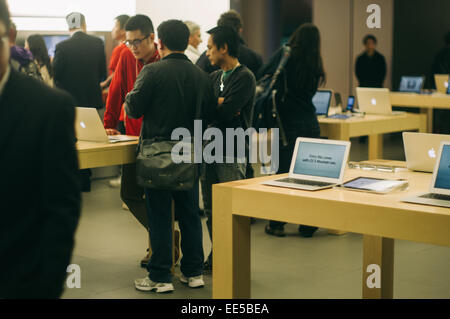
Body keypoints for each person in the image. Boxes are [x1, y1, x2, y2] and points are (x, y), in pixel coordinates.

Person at [126, 19, 215, 293]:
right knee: (189, 213)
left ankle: (160, 276)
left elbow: (133, 109)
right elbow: (211, 114)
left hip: (157, 154)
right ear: (187, 41)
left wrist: (130, 96)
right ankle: (193, 272)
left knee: (160, 215)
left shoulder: (152, 72)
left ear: (159, 42)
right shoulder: (202, 75)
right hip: (191, 152)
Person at [0, 0, 81, 298]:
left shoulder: (49, 108)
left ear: (10, 37)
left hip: (18, 280)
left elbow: (61, 208)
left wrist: (45, 285)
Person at [103, 14, 160, 267]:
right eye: (129, 42)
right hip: (132, 137)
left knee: (157, 197)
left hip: (159, 142)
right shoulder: (126, 56)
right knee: (130, 194)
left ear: (151, 38)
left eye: (138, 41)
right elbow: (116, 91)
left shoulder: (162, 61)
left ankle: (158, 247)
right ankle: (165, 237)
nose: (133, 47)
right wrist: (108, 124)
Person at [260, 23, 325, 238]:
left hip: (287, 124)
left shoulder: (286, 54)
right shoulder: (315, 62)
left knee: (283, 174)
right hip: (310, 121)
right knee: (310, 175)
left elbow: (263, 73)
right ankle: (308, 225)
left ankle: (277, 224)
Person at [201, 26, 256, 271]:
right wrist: (219, 105)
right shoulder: (212, 77)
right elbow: (206, 110)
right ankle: (219, 253)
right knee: (212, 209)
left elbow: (223, 114)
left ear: (224, 48)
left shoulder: (245, 77)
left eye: (211, 47)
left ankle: (233, 258)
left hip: (232, 150)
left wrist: (219, 106)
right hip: (208, 149)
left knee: (232, 209)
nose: (207, 52)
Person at [53, 12, 107, 192]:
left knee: (72, 139)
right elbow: (102, 72)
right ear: (84, 23)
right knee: (88, 139)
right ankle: (86, 179)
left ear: (68, 26)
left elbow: (57, 74)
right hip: (91, 99)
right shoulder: (97, 43)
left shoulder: (62, 46)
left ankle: (74, 179)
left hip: (69, 101)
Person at [196, 10, 263, 76]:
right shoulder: (254, 58)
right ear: (240, 30)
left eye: (210, 47)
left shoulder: (204, 59)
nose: (208, 53)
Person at [100, 14, 130, 90]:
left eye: (115, 26)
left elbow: (115, 73)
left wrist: (104, 84)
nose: (112, 29)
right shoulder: (130, 47)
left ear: (123, 30)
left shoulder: (120, 49)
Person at [431, 31, 450, 134]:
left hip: (439, 89)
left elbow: (434, 72)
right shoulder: (443, 55)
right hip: (444, 89)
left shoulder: (439, 54)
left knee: (441, 116)